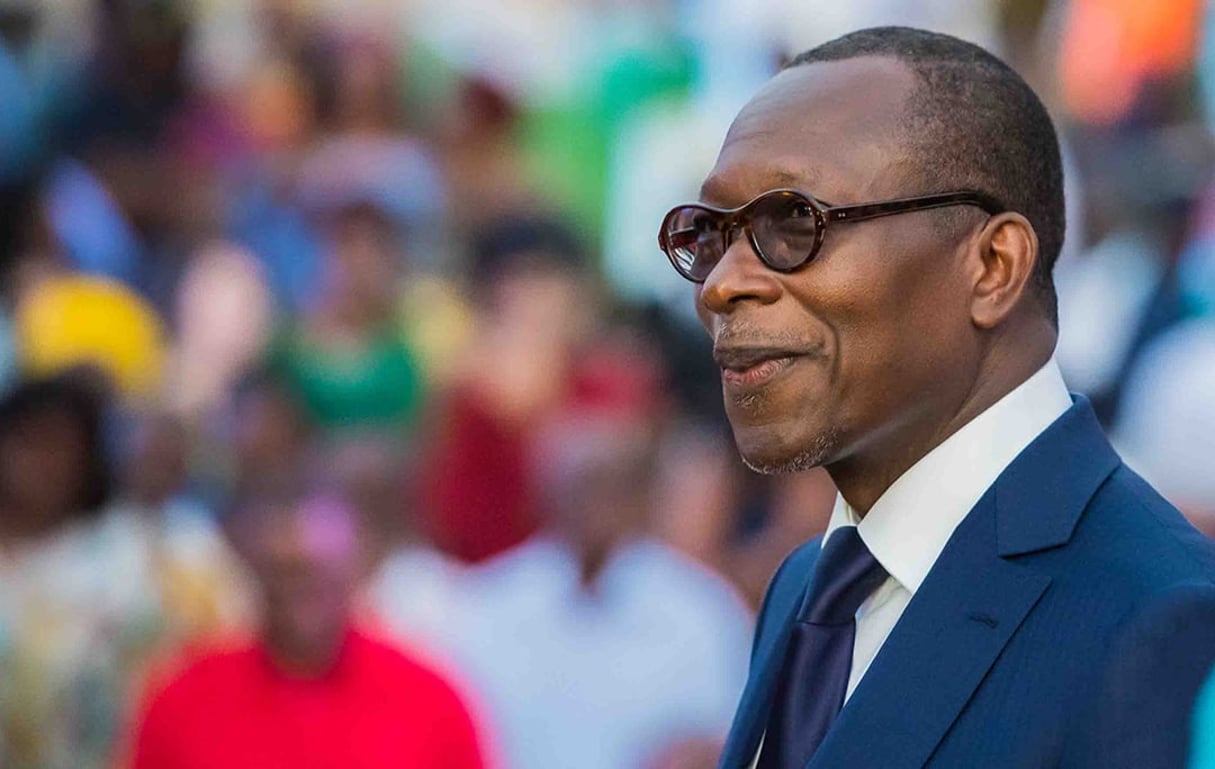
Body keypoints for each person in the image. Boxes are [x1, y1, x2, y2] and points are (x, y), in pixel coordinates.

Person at [653, 26, 1215, 769]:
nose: (721, 284)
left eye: (792, 224)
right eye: (709, 234)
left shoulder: (1159, 619)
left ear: (991, 264)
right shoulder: (807, 586)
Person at [127, 454, 489, 769]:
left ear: (356, 566)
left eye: (318, 573)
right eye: (285, 572)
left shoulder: (430, 702)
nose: (301, 594)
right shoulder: (184, 700)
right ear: (253, 566)